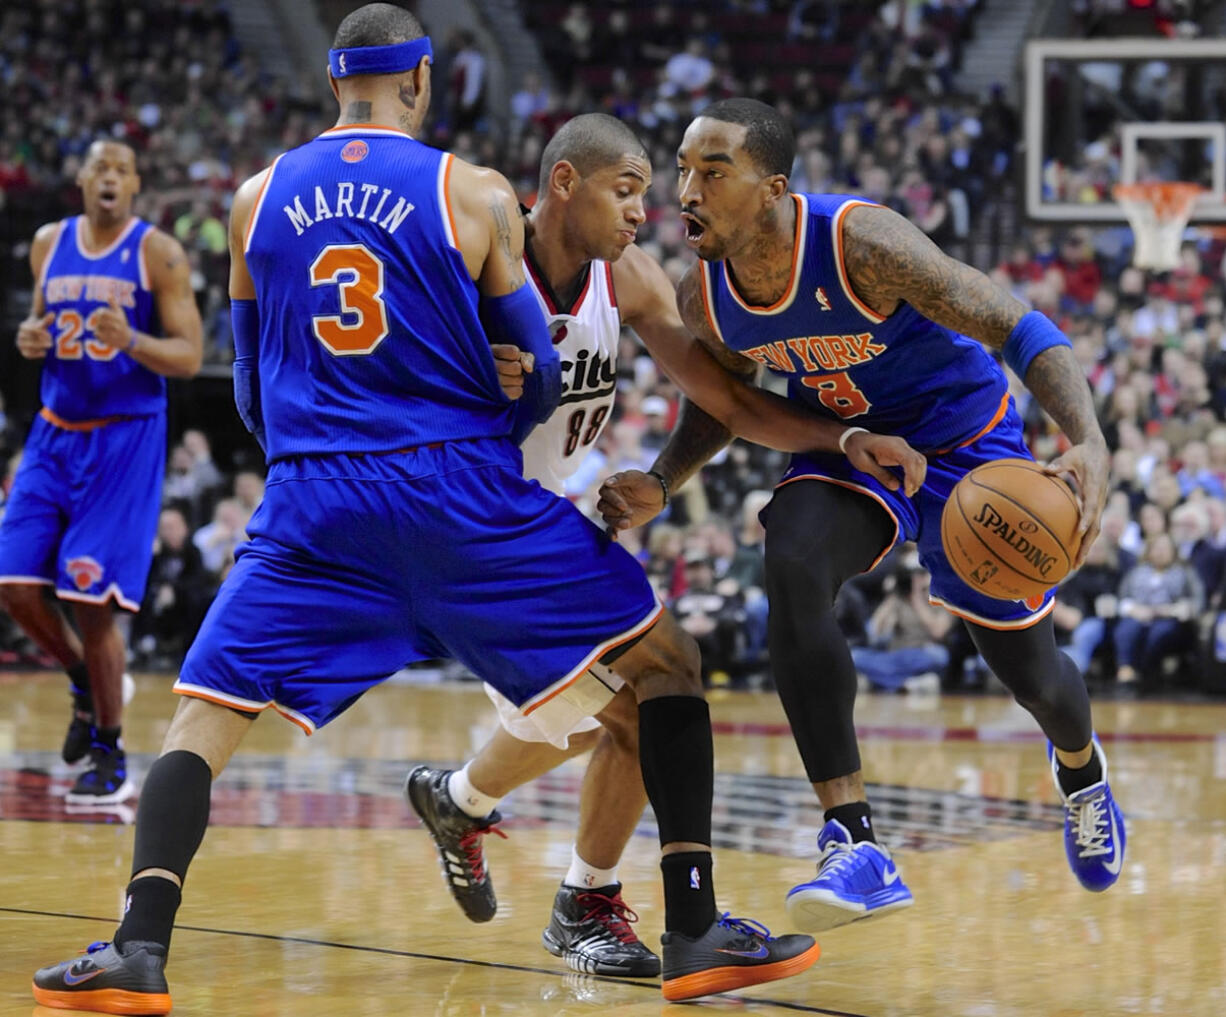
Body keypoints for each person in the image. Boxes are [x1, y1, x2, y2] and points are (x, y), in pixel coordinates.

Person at [31, 12, 823, 1012]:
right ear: (419, 79)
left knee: (203, 719)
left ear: (331, 76)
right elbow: (530, 385)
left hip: (315, 496)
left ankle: (138, 948)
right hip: (459, 493)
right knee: (663, 670)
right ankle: (691, 927)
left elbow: (244, 397)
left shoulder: (249, 198)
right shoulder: (471, 191)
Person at [407, 112, 927, 980]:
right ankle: (669, 919)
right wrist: (459, 370)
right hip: (459, 521)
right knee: (668, 673)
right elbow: (379, 369)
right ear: (564, 184)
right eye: (628, 189)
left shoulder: (632, 278)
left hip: (532, 519)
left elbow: (728, 403)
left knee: (628, 711)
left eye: (650, 191)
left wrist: (837, 442)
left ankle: (482, 819)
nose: (648, 210)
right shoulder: (473, 262)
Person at [597, 98, 1127, 933]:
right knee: (792, 558)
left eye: (712, 171)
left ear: (772, 189)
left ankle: (1081, 767)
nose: (685, 189)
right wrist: (665, 478)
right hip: (853, 448)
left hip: (969, 450)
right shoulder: (710, 297)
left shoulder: (862, 245)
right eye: (684, 168)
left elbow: (1014, 323)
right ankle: (855, 840)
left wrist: (1090, 439)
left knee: (1038, 681)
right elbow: (723, 404)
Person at [0, 138, 203, 803]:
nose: (110, 178)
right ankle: (85, 680)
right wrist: (30, 335)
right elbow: (40, 322)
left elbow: (191, 355)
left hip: (124, 439)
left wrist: (134, 341)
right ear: (81, 181)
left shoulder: (158, 253)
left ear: (136, 184)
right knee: (16, 585)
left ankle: (110, 751)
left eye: (121, 170)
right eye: (99, 169)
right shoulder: (46, 243)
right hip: (56, 432)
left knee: (90, 597)